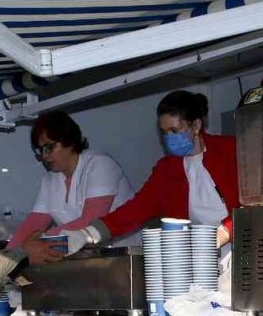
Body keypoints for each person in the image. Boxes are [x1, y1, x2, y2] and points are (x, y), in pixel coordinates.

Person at [67, 90, 239, 251]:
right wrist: (89, 234)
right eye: (165, 132)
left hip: (243, 247)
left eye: (175, 130)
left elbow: (255, 203)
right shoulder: (166, 171)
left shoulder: (233, 151)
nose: (170, 138)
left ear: (196, 125)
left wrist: (225, 231)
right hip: (199, 258)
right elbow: (135, 210)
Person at [6, 111, 135, 259]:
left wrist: (38, 242)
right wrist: (7, 255)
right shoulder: (50, 179)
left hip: (123, 255)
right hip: (86, 257)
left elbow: (91, 221)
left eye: (49, 147)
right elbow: (34, 223)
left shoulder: (100, 165)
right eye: (40, 150)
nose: (44, 156)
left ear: (70, 141)